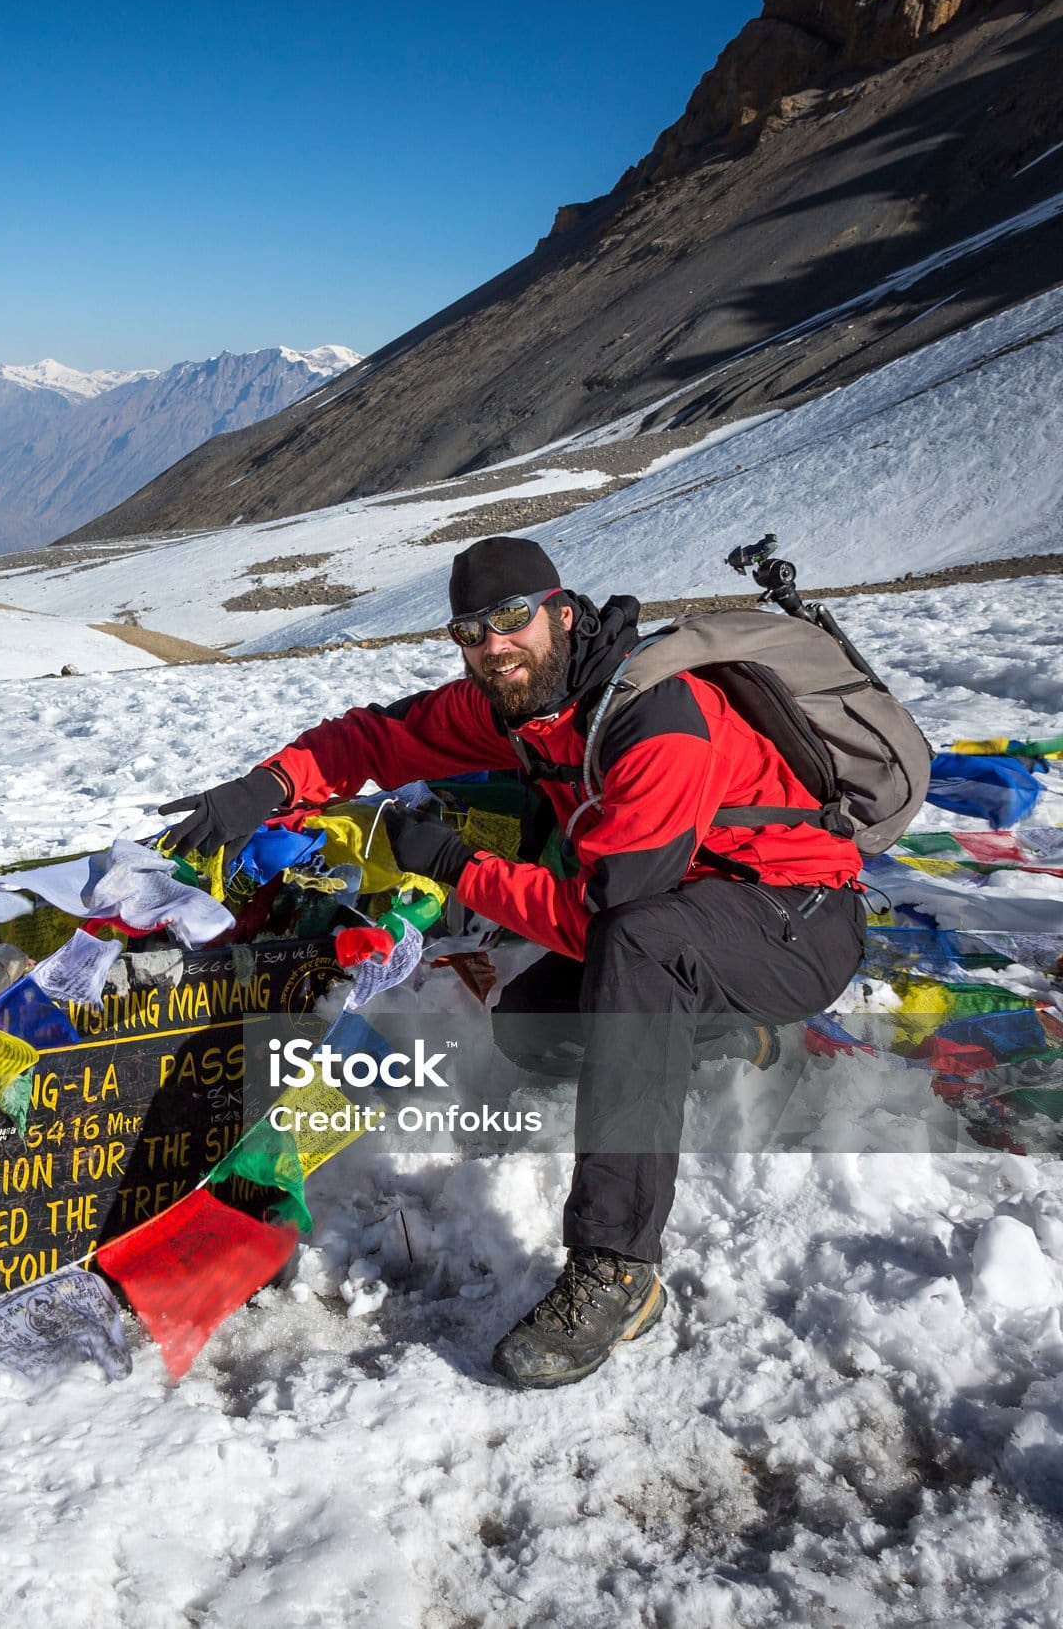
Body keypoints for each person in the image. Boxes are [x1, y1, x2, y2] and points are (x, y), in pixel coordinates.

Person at [159, 535, 866, 1388]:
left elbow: (596, 918)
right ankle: (736, 1038)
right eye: (470, 630)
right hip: (692, 921)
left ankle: (617, 1269)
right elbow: (376, 741)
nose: (494, 645)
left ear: (561, 614)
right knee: (536, 1024)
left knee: (634, 948)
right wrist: (266, 789)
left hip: (794, 920)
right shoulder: (517, 701)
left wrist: (453, 864)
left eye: (511, 618)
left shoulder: (657, 719)